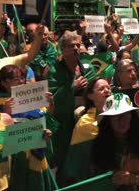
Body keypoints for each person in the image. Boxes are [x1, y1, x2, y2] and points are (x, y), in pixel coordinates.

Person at [0, 65, 56, 191]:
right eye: (16, 79)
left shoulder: (32, 99)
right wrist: (6, 112)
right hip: (17, 161)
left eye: (22, 77)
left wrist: (51, 104)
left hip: (38, 156)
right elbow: (0, 136)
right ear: (4, 83)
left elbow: (46, 119)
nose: (22, 81)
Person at [47, 31, 96, 176]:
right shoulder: (54, 70)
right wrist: (72, 88)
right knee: (64, 163)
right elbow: (52, 99)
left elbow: (94, 89)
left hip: (85, 123)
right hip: (63, 125)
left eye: (77, 45)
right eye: (70, 46)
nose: (75, 48)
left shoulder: (87, 68)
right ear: (62, 49)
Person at [91, 97, 139, 190]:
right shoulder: (97, 145)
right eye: (116, 116)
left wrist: (132, 179)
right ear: (107, 121)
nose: (122, 120)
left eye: (126, 115)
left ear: (132, 117)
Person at [62, 78, 116, 183]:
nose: (107, 90)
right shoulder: (84, 122)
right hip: (92, 177)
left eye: (108, 88)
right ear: (90, 96)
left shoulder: (118, 115)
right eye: (101, 89)